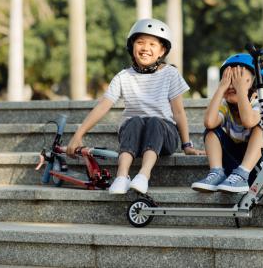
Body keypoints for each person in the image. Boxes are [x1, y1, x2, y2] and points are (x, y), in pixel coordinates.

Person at [66, 18, 204, 195]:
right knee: (133, 121)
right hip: (135, 135)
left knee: (155, 121)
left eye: (152, 44)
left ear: (162, 51)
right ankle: (122, 176)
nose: (145, 48)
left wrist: (187, 145)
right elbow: (102, 106)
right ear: (132, 47)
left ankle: (143, 175)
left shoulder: (170, 73)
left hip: (165, 136)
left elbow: (178, 112)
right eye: (140, 42)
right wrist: (79, 134)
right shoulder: (123, 76)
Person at [191, 53, 263, 193]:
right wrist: (221, 89)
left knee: (262, 127)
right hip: (233, 170)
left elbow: (248, 121)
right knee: (211, 131)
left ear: (254, 85)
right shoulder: (225, 106)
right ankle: (216, 172)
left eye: (239, 80)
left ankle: (243, 173)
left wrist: (241, 90)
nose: (232, 85)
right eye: (228, 79)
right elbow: (209, 122)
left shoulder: (258, 104)